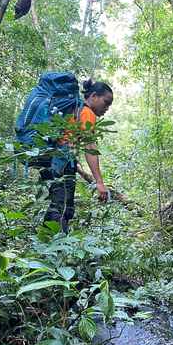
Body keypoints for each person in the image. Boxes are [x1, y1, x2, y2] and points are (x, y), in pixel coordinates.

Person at [43, 79, 113, 232]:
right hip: (61, 163)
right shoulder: (87, 113)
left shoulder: (75, 109)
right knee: (62, 208)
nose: (107, 108)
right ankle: (56, 243)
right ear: (94, 96)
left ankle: (47, 239)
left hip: (50, 159)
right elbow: (90, 147)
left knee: (59, 205)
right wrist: (99, 182)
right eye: (106, 102)